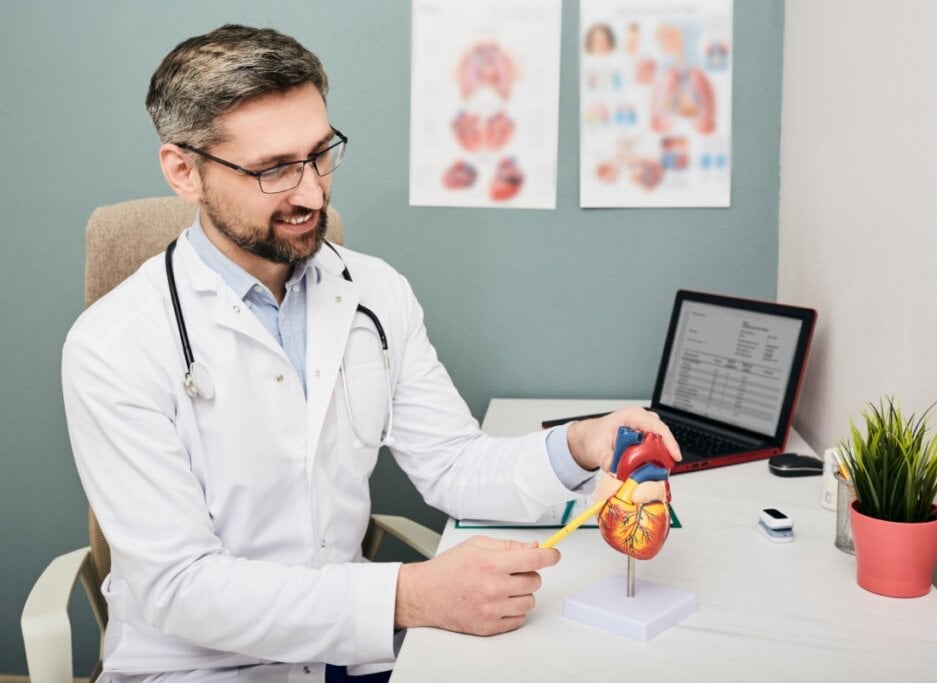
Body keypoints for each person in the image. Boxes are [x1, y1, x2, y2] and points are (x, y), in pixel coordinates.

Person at [62, 25, 679, 683]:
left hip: (349, 651)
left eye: (321, 153)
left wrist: (581, 442)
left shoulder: (374, 292)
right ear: (184, 170)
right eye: (274, 169)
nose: (311, 193)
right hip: (196, 667)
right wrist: (412, 594)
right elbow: (179, 585)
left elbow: (452, 463)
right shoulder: (112, 345)